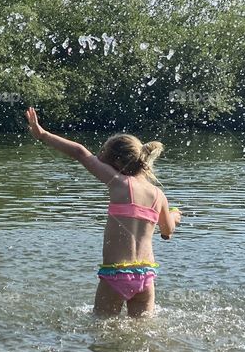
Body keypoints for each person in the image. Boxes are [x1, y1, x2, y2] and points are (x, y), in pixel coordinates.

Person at [25, 107, 181, 317]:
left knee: (102, 330)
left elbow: (80, 153)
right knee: (142, 333)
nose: (99, 155)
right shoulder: (158, 195)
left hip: (116, 274)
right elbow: (167, 231)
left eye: (103, 152)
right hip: (145, 275)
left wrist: (43, 134)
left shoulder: (119, 183)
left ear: (116, 161)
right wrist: (174, 216)